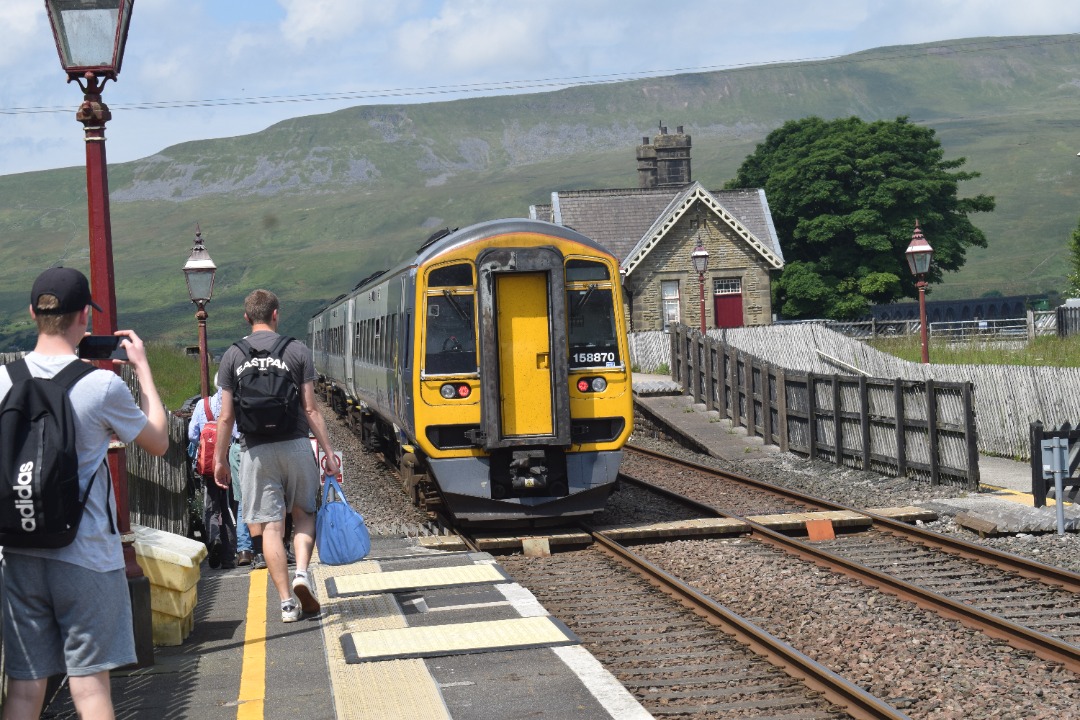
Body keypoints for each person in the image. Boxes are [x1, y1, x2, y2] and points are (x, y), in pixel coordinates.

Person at [0, 267, 169, 720]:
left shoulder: (2, 381)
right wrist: (143, 369)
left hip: (18, 548)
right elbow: (157, 440)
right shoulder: (100, 385)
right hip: (87, 554)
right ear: (83, 319)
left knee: (24, 687)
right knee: (90, 688)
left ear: (34, 312)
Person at [213, 289, 339, 623]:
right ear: (276, 314)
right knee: (303, 515)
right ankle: (301, 573)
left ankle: (285, 602)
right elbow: (311, 408)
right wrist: (327, 452)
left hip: (255, 450)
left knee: (269, 526)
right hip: (296, 444)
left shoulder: (232, 356)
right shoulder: (296, 350)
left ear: (246, 317)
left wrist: (220, 459)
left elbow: (225, 417)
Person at [187, 383, 245, 568]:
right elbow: (236, 432)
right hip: (227, 461)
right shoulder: (232, 404)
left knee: (211, 507)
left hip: (208, 464)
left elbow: (191, 434)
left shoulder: (202, 405)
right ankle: (229, 557)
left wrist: (203, 445)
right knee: (227, 507)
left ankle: (214, 540)